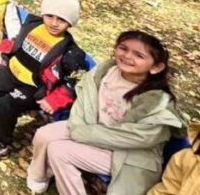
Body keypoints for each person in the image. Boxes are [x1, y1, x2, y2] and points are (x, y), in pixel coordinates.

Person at [26, 31, 185, 195]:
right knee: (44, 134)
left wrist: (84, 134)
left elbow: (140, 137)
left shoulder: (157, 100)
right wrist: (79, 127)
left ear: (156, 67)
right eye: (123, 48)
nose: (127, 56)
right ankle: (39, 176)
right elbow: (83, 101)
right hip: (90, 126)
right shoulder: (105, 71)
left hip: (127, 153)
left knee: (59, 151)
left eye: (139, 55)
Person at [0, 0, 89, 160]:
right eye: (50, 16)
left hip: (34, 87)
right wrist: (3, 49)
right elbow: (17, 42)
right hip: (12, 72)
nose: (54, 23)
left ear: (70, 22)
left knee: (6, 104)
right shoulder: (33, 26)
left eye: (61, 19)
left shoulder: (69, 51)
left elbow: (76, 81)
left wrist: (55, 100)